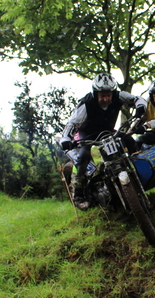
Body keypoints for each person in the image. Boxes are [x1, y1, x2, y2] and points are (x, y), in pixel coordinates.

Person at [59, 73, 147, 210]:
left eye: (108, 95)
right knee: (83, 156)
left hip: (107, 131)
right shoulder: (86, 104)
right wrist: (66, 139)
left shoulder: (119, 96)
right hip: (86, 133)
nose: (106, 99)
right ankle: (78, 194)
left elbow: (137, 99)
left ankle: (141, 175)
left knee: (129, 141)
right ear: (95, 94)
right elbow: (72, 123)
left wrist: (140, 107)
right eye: (102, 96)